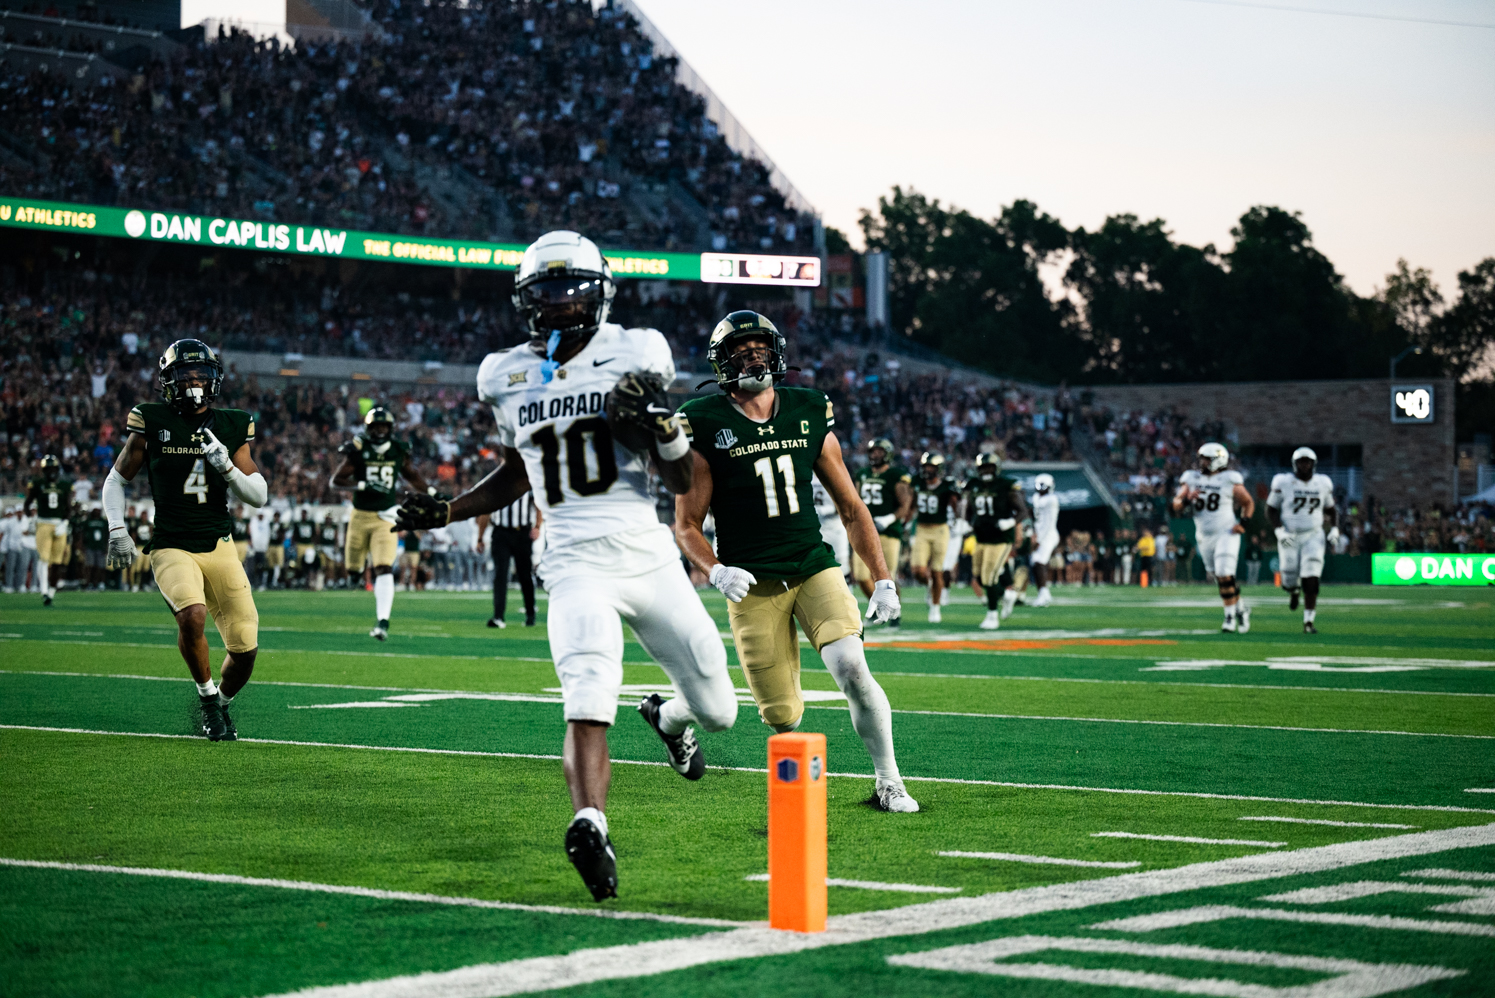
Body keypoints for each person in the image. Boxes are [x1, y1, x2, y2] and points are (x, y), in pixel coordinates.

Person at [394, 230, 737, 902]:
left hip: (647, 554)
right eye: (545, 291)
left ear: (598, 291)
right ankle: (589, 823)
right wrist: (449, 510)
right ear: (526, 300)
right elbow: (521, 466)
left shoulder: (635, 352)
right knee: (586, 690)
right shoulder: (505, 373)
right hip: (573, 558)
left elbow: (675, 478)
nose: (558, 303)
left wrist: (662, 426)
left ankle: (668, 720)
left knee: (720, 711)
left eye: (569, 287)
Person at [674, 310, 915, 812]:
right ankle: (673, 718)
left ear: (777, 352)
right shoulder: (703, 418)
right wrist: (716, 569)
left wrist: (884, 579)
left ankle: (889, 779)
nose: (753, 357)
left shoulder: (807, 408)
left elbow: (851, 507)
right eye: (741, 352)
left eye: (760, 348)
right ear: (722, 364)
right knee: (783, 716)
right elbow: (686, 523)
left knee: (851, 665)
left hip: (811, 564)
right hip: (751, 580)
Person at [102, 339, 266, 741]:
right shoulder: (151, 418)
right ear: (168, 381)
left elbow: (259, 495)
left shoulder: (230, 423)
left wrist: (225, 466)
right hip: (172, 543)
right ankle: (208, 701)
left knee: (245, 651)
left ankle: (220, 704)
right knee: (191, 616)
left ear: (215, 380)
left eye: (201, 376)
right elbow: (116, 479)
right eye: (185, 376)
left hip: (219, 543)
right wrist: (116, 528)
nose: (194, 383)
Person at [331, 406, 433, 639]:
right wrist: (362, 485)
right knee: (353, 569)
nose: (379, 431)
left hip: (386, 515)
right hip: (360, 515)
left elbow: (412, 475)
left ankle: (383, 622)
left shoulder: (398, 450)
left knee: (384, 566)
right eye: (375, 426)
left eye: (383, 426)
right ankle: (355, 576)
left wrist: (433, 492)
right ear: (369, 428)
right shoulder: (359, 449)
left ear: (390, 428)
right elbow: (335, 481)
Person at [1173, 442, 1256, 633]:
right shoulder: (1191, 478)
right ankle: (1241, 608)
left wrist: (1243, 523)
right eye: (1201, 458)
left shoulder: (1229, 479)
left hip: (1226, 532)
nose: (1202, 462)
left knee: (1224, 572)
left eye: (1206, 459)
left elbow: (1248, 502)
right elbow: (1176, 504)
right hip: (1204, 535)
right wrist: (1187, 499)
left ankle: (1229, 618)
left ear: (1218, 460)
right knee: (1220, 577)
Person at [1267, 447, 1338, 634]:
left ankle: (1308, 621)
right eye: (1301, 462)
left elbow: (1331, 509)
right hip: (1290, 534)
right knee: (1288, 576)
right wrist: (1278, 531)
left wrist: (1335, 528)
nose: (1304, 465)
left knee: (1312, 577)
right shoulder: (1284, 482)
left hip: (1313, 534)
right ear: (1294, 464)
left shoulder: (1322, 483)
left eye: (1307, 462)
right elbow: (1271, 509)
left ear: (1313, 464)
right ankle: (1293, 591)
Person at [852, 437, 913, 626]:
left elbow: (905, 504)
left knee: (889, 577)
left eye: (879, 451)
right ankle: (881, 607)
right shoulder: (862, 474)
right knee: (862, 576)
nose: (875, 455)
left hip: (889, 532)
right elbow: (855, 500)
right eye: (873, 451)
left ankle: (895, 614)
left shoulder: (896, 475)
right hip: (865, 531)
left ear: (887, 455)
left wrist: (889, 519)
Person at [965, 453, 1027, 629]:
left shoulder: (1005, 486)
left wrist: (1011, 522)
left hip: (1000, 539)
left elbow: (1022, 511)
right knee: (979, 577)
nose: (986, 471)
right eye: (983, 467)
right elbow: (969, 508)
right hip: (981, 537)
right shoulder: (974, 485)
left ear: (996, 468)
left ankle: (992, 615)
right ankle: (1008, 593)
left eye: (989, 467)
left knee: (989, 576)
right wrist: (965, 523)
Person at [909, 452, 959, 623]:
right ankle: (930, 585)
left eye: (931, 467)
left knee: (938, 570)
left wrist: (958, 520)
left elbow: (955, 503)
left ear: (939, 469)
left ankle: (935, 608)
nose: (927, 470)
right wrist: (907, 521)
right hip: (922, 528)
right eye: (925, 467)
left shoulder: (947, 485)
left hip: (940, 530)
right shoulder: (917, 482)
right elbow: (912, 502)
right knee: (917, 571)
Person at [479, 491, 539, 627]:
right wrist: (480, 537)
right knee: (500, 574)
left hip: (522, 533)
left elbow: (538, 504)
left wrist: (538, 526)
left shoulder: (526, 483)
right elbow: (486, 510)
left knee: (525, 575)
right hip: (501, 533)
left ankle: (530, 614)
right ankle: (498, 616)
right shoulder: (495, 484)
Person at [23, 454, 72, 606]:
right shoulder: (37, 483)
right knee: (43, 559)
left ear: (57, 469)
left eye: (53, 468)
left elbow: (68, 507)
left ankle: (51, 591)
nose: (51, 471)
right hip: (43, 523)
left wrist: (65, 522)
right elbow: (27, 504)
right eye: (48, 468)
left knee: (57, 561)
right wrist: (30, 520)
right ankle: (44, 591)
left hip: (59, 525)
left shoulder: (64, 485)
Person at [1030, 473, 1061, 607]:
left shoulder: (1052, 499)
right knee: (1035, 562)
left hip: (1048, 535)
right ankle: (1044, 593)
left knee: (1039, 561)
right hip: (1039, 534)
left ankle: (1043, 594)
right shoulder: (1036, 497)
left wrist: (1039, 539)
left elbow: (1049, 522)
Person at [82, 505, 110, 589]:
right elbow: (83, 534)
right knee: (89, 566)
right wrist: (83, 546)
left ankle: (98, 582)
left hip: (100, 547)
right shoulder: (88, 521)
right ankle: (89, 582)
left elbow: (106, 536)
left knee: (100, 567)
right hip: (90, 546)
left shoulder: (104, 522)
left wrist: (106, 547)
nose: (97, 512)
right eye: (95, 510)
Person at [128, 508, 154, 592]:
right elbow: (134, 535)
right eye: (143, 515)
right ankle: (135, 584)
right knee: (137, 567)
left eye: (146, 515)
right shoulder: (137, 524)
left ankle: (144, 584)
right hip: (139, 547)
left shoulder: (150, 525)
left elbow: (151, 535)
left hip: (146, 547)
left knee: (146, 568)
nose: (144, 517)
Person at [292, 508, 318, 586]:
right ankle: (301, 578)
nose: (304, 515)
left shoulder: (311, 523)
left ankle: (309, 578)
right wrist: (294, 545)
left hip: (309, 544)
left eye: (305, 513)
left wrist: (315, 543)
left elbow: (314, 534)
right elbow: (295, 535)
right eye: (302, 513)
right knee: (300, 563)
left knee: (310, 561)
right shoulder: (298, 523)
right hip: (300, 544)